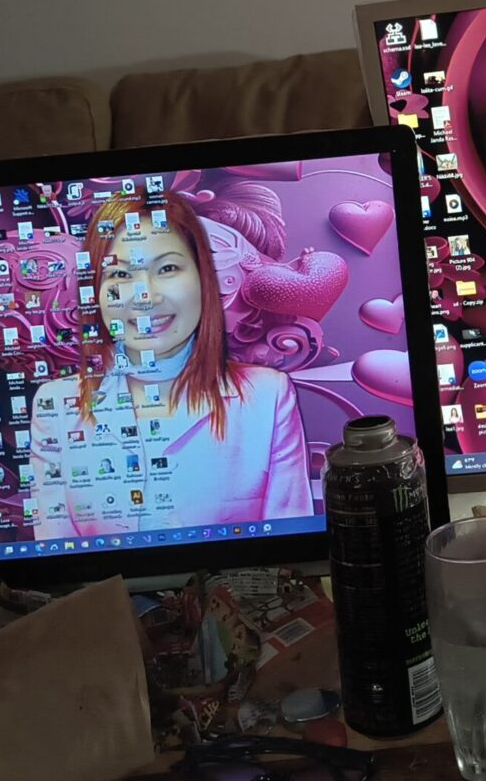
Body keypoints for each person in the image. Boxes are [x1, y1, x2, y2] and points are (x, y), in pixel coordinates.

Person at [28, 193, 312, 536]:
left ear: (203, 279)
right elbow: (60, 553)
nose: (146, 296)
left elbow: (287, 546)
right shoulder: (55, 405)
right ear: (95, 293)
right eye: (120, 273)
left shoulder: (268, 396)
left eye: (167, 269)